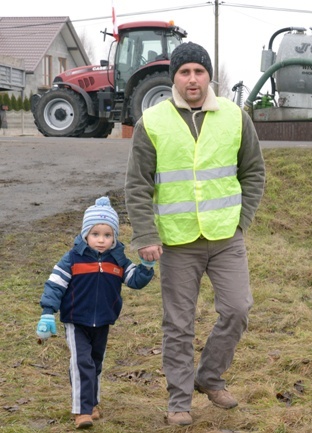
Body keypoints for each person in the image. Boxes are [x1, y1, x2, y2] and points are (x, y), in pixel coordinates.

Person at [125, 41, 265, 426]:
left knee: (238, 309)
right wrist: (145, 234)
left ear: (209, 76)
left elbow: (254, 172)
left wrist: (241, 221)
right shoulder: (152, 122)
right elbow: (138, 185)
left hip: (225, 237)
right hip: (176, 241)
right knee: (179, 324)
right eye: (184, 72)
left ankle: (210, 376)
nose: (192, 79)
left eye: (198, 71)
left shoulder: (236, 118)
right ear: (174, 77)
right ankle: (179, 400)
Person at [36, 196, 155, 429]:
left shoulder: (117, 260)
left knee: (95, 362)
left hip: (102, 320)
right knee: (82, 363)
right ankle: (81, 410)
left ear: (115, 237)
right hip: (76, 320)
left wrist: (146, 266)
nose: (101, 240)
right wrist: (47, 312)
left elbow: (134, 280)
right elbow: (55, 285)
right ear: (85, 235)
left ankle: (92, 403)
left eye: (108, 235)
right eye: (96, 234)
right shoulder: (72, 259)